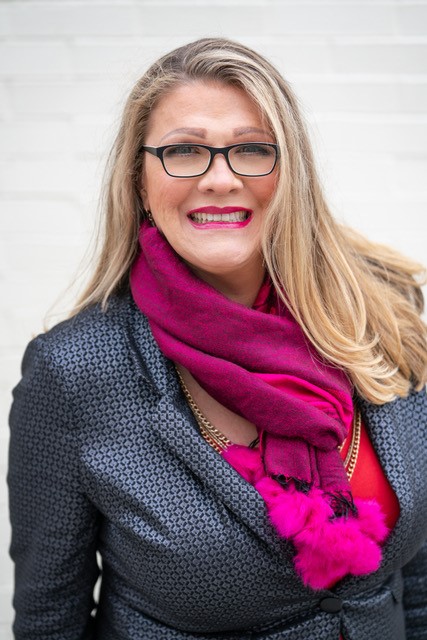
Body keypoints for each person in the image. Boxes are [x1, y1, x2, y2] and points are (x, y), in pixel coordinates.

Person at [7, 37, 427, 640]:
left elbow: (414, 581)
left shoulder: (384, 313)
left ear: (292, 171)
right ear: (139, 179)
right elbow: (50, 621)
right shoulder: (74, 373)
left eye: (252, 150)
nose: (220, 179)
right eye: (184, 151)